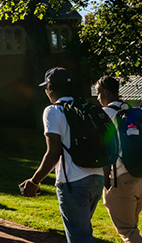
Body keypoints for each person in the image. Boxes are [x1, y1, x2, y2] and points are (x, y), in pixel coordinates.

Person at [20, 67, 104, 243]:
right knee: (83, 232)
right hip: (97, 178)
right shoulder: (86, 108)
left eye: (46, 88)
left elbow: (53, 153)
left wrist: (35, 181)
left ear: (50, 89)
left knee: (79, 237)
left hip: (73, 182)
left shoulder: (53, 111)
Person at [96, 76, 142, 243]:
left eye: (99, 94)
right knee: (132, 226)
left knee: (128, 232)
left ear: (106, 92)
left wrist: (106, 181)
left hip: (121, 178)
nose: (98, 98)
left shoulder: (104, 115)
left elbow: (104, 150)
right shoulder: (131, 110)